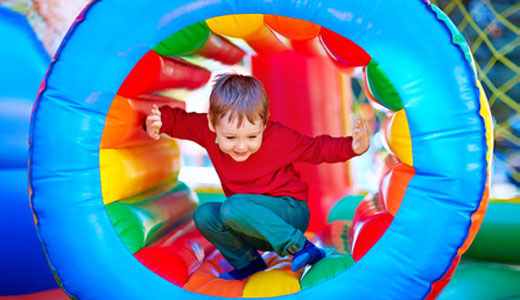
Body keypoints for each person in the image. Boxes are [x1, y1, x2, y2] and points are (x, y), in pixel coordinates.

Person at [145, 73, 370, 280]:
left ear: (264, 123)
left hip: (289, 213)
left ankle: (302, 247)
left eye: (252, 136)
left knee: (232, 206)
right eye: (231, 137)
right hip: (248, 222)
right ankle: (249, 263)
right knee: (205, 214)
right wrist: (158, 121)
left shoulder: (278, 138)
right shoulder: (206, 129)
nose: (242, 146)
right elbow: (180, 121)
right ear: (213, 124)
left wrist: (352, 146)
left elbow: (316, 148)